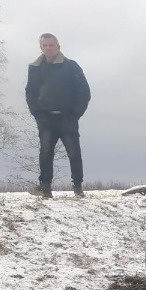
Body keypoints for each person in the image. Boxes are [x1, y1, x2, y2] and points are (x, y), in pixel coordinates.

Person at [25, 33, 90, 198]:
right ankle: (45, 188)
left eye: (51, 45)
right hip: (45, 118)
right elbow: (30, 91)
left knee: (73, 152)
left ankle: (77, 187)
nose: (48, 48)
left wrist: (75, 114)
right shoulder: (35, 68)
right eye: (44, 45)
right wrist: (36, 112)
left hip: (67, 117)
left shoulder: (71, 66)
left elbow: (84, 92)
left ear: (58, 47)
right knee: (45, 152)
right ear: (41, 47)